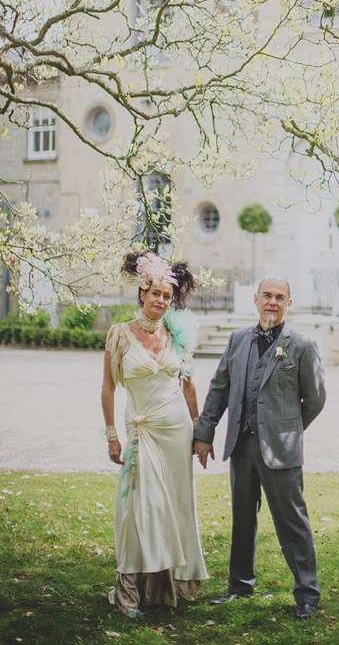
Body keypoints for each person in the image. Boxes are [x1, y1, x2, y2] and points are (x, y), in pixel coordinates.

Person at [193, 276, 326, 620]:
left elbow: (314, 399)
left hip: (280, 450)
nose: (272, 302)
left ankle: (307, 593)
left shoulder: (302, 345)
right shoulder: (237, 340)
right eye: (267, 295)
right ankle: (239, 584)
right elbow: (219, 388)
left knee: (292, 521)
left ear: (289, 304)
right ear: (255, 299)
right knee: (242, 518)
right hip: (241, 445)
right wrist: (204, 433)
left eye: (280, 297)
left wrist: (288, 430)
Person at [101, 251, 208, 617]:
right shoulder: (120, 335)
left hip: (177, 433)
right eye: (155, 294)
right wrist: (111, 434)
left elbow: (189, 385)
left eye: (167, 295)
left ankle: (167, 586)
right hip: (141, 431)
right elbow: (108, 388)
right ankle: (129, 590)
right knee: (137, 509)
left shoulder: (176, 335)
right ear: (142, 294)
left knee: (175, 506)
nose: (161, 301)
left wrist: (200, 431)